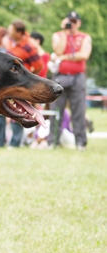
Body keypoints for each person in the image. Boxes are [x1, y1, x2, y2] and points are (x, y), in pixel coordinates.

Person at [49, 11, 92, 151]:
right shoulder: (58, 35)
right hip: (60, 76)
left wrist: (63, 58)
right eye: (70, 21)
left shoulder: (85, 37)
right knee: (56, 110)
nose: (72, 24)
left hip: (77, 76)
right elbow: (58, 50)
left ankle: (81, 142)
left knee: (78, 111)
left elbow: (84, 55)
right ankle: (52, 142)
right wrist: (65, 32)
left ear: (79, 23)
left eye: (74, 21)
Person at [3, 20, 44, 148]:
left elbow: (38, 65)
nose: (9, 32)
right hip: (9, 82)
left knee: (19, 109)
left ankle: (16, 142)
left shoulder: (28, 46)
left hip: (20, 84)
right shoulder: (12, 43)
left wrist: (27, 77)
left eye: (11, 30)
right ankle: (6, 141)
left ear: (19, 33)